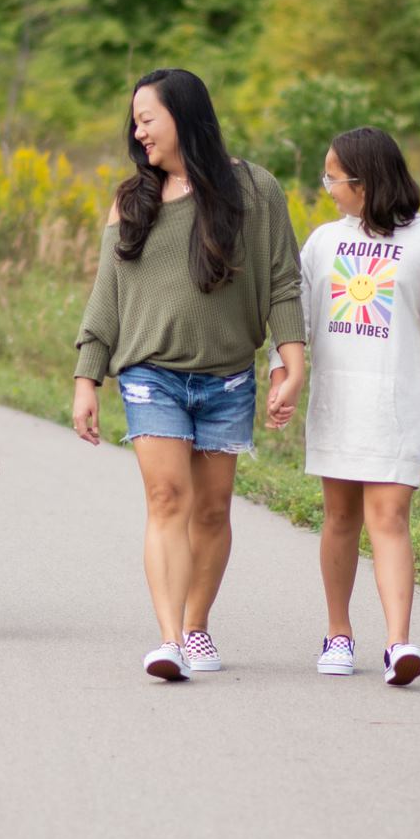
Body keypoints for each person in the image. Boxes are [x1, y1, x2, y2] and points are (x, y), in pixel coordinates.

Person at [71, 68, 305, 681]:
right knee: (166, 497)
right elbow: (108, 295)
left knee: (212, 509)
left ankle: (197, 625)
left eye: (147, 117)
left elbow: (283, 279)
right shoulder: (134, 201)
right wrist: (85, 377)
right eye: (135, 121)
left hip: (228, 378)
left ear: (185, 116)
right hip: (152, 377)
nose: (138, 131)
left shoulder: (255, 189)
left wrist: (292, 359)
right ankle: (169, 638)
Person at [288, 128, 420, 685]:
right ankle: (339, 633)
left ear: (366, 184)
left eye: (334, 177)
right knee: (340, 518)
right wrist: (285, 376)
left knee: (389, 518)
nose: (327, 186)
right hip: (337, 404)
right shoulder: (323, 242)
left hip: (398, 408)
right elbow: (296, 321)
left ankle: (398, 642)